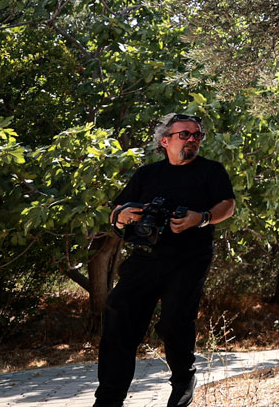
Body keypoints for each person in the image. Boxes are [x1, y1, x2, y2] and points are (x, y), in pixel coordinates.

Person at [93, 113, 236, 407]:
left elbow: (228, 206)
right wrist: (121, 216)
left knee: (174, 323)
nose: (193, 140)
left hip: (189, 259)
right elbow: (116, 212)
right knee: (118, 320)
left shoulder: (211, 171)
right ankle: (108, 399)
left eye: (197, 135)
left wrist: (203, 218)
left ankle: (183, 379)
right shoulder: (146, 175)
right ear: (165, 141)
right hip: (144, 260)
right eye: (185, 134)